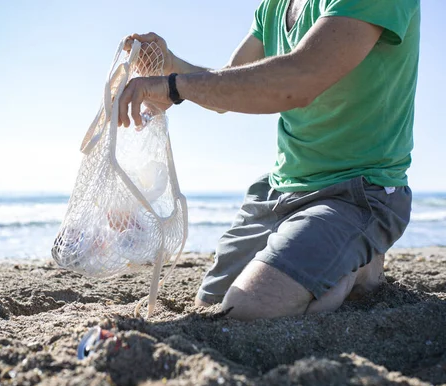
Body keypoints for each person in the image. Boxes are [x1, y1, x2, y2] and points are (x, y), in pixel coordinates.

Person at [119, 0, 420, 321]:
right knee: (213, 303)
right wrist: (170, 65)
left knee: (250, 309)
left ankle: (362, 268)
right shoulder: (274, 6)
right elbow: (229, 81)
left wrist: (175, 87)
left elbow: (299, 79)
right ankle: (329, 261)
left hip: (358, 192)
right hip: (280, 190)